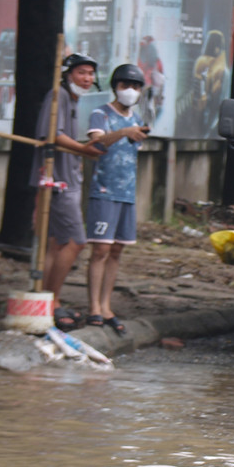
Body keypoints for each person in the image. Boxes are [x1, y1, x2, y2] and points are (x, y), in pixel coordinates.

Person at [31, 52, 107, 332]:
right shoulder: (58, 96)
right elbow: (52, 135)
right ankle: (52, 299)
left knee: (56, 243)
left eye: (90, 74)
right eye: (81, 73)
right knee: (76, 241)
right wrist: (85, 150)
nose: (87, 79)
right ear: (67, 74)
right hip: (58, 180)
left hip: (66, 176)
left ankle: (45, 298)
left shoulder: (71, 99)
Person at [84, 63, 152, 334]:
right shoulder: (100, 114)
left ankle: (106, 305)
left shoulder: (137, 120)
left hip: (127, 194)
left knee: (116, 251)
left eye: (135, 87)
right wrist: (123, 132)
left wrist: (132, 131)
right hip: (104, 191)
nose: (130, 92)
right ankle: (93, 308)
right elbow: (96, 145)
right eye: (125, 86)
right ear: (115, 87)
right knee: (100, 250)